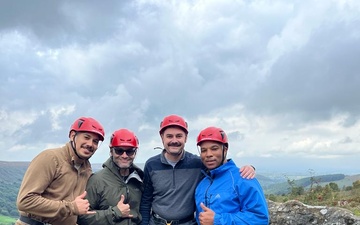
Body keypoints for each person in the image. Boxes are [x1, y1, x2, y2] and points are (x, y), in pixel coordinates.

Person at [140, 114, 255, 225]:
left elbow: (220, 166)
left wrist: (250, 168)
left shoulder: (197, 163)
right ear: (162, 138)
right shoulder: (151, 165)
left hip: (187, 222)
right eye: (169, 136)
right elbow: (146, 200)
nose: (174, 140)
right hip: (156, 222)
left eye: (179, 136)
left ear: (186, 138)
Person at [15, 117, 105, 225]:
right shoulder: (51, 158)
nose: (90, 144)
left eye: (95, 141)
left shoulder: (86, 169)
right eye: (86, 137)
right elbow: (25, 201)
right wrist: (71, 207)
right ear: (72, 136)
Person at [195, 126, 269, 225]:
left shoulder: (243, 178)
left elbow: (260, 219)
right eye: (204, 150)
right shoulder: (202, 183)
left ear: (225, 149)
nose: (208, 154)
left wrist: (217, 220)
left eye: (214, 149)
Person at [77, 128, 144, 225]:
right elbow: (82, 217)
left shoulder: (139, 179)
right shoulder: (97, 180)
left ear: (135, 152)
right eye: (119, 151)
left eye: (129, 151)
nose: (124, 156)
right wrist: (114, 213)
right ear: (111, 151)